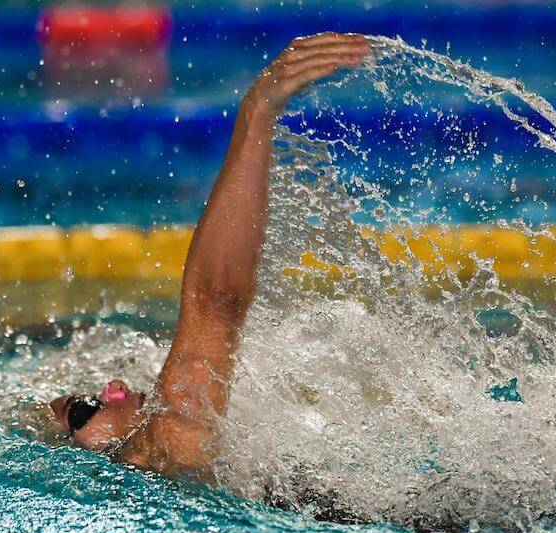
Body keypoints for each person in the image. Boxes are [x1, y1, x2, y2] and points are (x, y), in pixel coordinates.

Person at [50, 33, 371, 483]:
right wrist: (256, 115)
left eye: (88, 396)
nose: (115, 388)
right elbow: (216, 302)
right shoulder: (163, 445)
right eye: (86, 411)